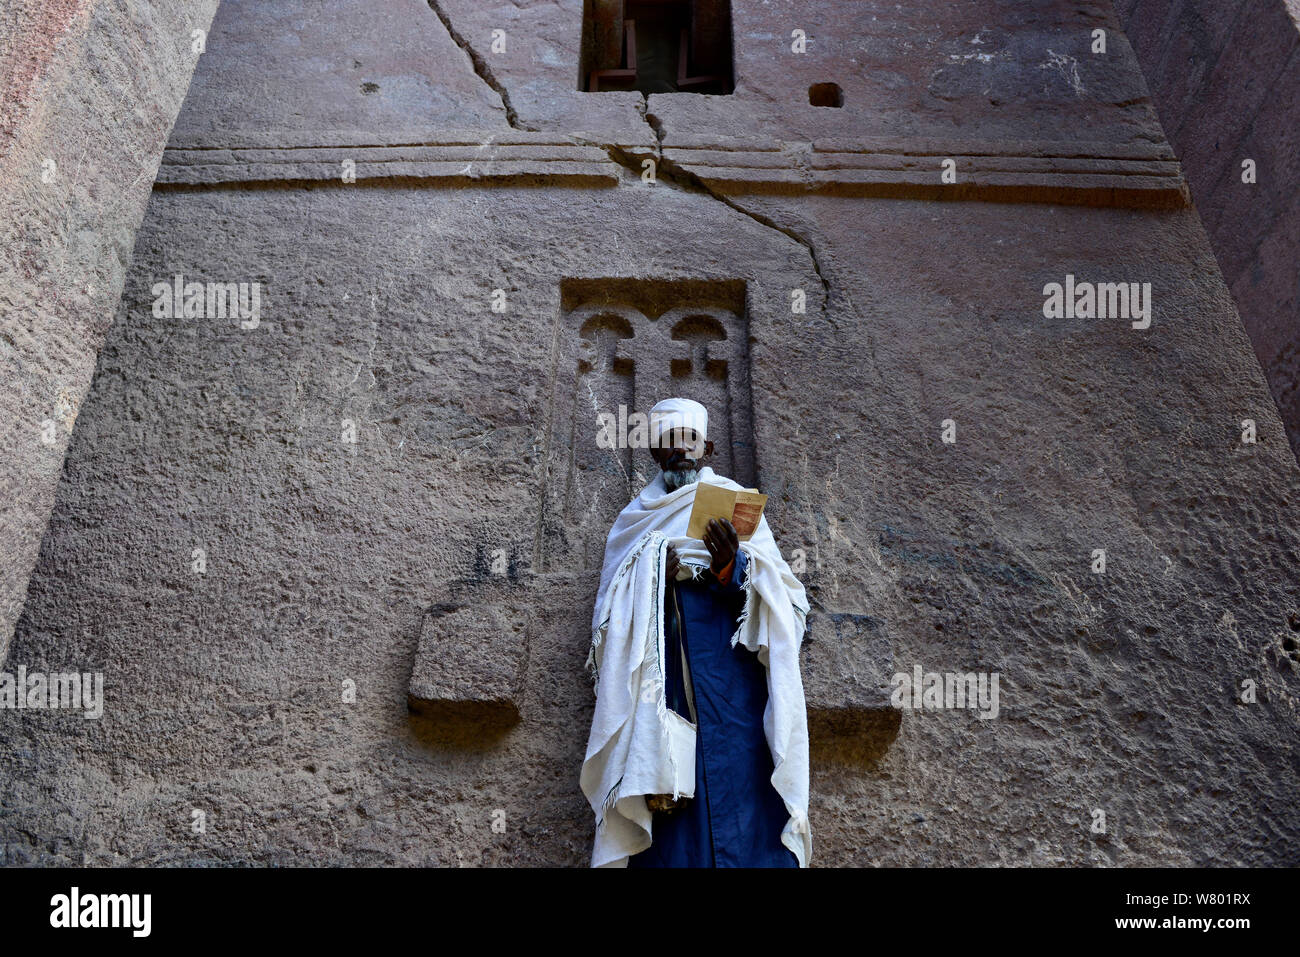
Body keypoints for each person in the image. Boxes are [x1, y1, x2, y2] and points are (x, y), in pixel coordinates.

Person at [580, 397, 811, 867]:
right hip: (660, 701)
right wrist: (651, 581)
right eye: (669, 442)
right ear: (656, 453)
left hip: (735, 697)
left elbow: (788, 602)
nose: (680, 452)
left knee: (751, 821)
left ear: (706, 447)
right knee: (673, 842)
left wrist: (732, 565)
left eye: (689, 441)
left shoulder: (737, 505)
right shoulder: (633, 522)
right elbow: (607, 620)